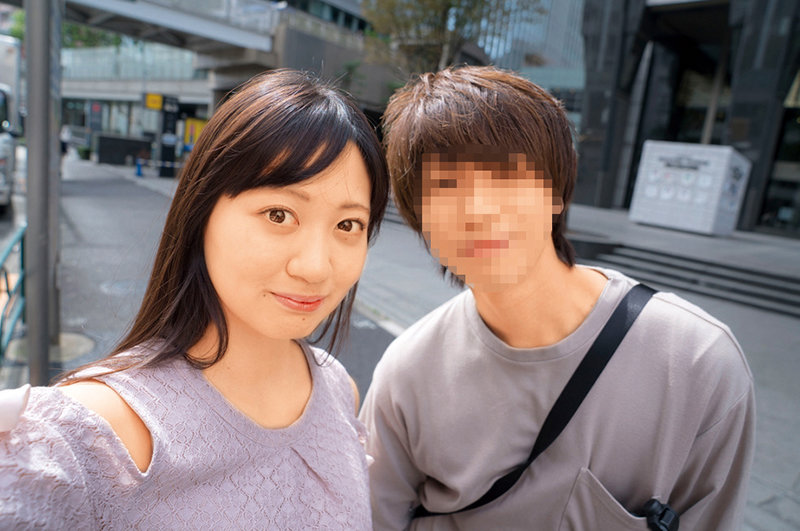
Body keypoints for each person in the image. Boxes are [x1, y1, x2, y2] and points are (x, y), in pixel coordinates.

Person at [359, 66, 755, 530]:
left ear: (555, 192)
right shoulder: (408, 370)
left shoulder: (696, 362)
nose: (478, 210)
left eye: (502, 176)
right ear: (419, 218)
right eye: (446, 187)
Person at [0, 69, 389, 529]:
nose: (316, 267)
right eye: (279, 214)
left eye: (348, 225)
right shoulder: (104, 434)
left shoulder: (339, 389)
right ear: (201, 212)